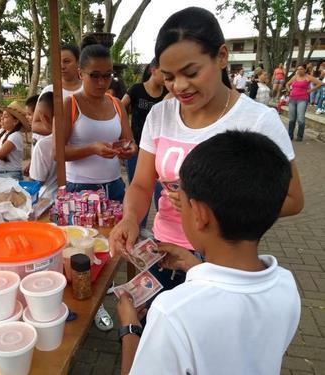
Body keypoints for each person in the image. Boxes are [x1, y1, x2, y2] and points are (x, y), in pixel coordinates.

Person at [110, 6, 304, 298]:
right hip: (164, 251)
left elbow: (292, 199)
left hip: (224, 260)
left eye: (191, 72)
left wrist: (211, 205)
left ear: (222, 57)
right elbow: (140, 184)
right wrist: (129, 219)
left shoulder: (257, 120)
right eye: (169, 77)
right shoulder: (161, 114)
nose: (180, 87)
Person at [116, 130, 300, 375]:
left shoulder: (172, 312)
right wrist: (194, 266)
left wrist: (130, 329)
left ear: (199, 214)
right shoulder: (286, 285)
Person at [54, 41, 137, 332]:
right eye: (95, 76)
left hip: (113, 187)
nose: (103, 82)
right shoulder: (70, 103)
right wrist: (91, 148)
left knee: (113, 251)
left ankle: (111, 294)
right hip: (80, 192)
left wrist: (127, 149)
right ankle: (92, 306)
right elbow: (58, 152)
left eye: (108, 75)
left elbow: (129, 141)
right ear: (81, 73)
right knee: (84, 255)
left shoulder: (115, 103)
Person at [121, 58, 168, 226]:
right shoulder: (136, 89)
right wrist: (126, 132)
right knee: (139, 189)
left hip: (160, 152)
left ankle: (160, 226)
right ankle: (138, 226)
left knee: (161, 192)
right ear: (153, 70)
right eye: (164, 72)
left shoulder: (167, 95)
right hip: (137, 150)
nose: (167, 77)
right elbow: (119, 107)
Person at [32, 45, 82, 143]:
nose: (62, 66)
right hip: (57, 151)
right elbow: (35, 124)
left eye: (67, 61)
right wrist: (58, 131)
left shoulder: (88, 90)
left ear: (78, 63)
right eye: (58, 62)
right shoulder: (49, 90)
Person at [29, 92, 57, 199]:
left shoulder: (43, 145)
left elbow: (36, 181)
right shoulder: (74, 139)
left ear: (44, 117)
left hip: (48, 199)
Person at [286, 64, 322, 141]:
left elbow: (320, 83)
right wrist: (289, 90)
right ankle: (290, 136)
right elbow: (287, 84)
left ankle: (299, 136)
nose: (299, 70)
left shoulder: (308, 77)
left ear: (305, 70)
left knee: (300, 119)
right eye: (298, 69)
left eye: (301, 69)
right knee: (292, 119)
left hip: (302, 99)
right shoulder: (295, 77)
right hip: (292, 99)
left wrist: (310, 90)